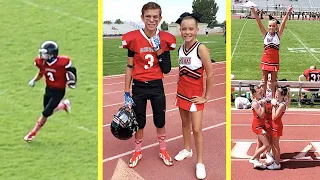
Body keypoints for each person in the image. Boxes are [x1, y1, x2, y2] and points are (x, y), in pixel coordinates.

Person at [121, 2, 177, 168]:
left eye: (155, 17)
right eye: (148, 17)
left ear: (160, 18)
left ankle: (163, 149)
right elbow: (129, 66)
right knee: (139, 121)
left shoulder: (166, 39)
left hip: (156, 85)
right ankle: (138, 150)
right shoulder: (132, 38)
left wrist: (158, 48)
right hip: (138, 86)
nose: (151, 20)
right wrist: (126, 92)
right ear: (142, 17)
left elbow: (166, 69)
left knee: (160, 119)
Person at [173, 12, 213, 179]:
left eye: (190, 29)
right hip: (181, 93)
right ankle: (187, 150)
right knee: (184, 123)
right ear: (180, 30)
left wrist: (206, 96)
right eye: (184, 29)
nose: (187, 32)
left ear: (197, 29)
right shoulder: (181, 48)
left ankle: (200, 162)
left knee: (196, 129)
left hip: (195, 96)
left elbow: (210, 74)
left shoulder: (201, 48)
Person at [24, 41, 75, 142]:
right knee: (48, 111)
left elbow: (71, 71)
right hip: (49, 89)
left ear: (52, 55)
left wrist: (71, 81)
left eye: (45, 53)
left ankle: (32, 133)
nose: (42, 55)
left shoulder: (62, 62)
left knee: (46, 112)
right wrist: (34, 80)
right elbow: (41, 73)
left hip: (59, 91)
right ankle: (64, 105)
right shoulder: (41, 62)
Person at [250, 5, 293, 98]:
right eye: (269, 25)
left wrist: (288, 12)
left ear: (275, 26)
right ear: (268, 26)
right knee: (264, 80)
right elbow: (259, 22)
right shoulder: (265, 34)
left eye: (273, 26)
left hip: (274, 61)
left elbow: (283, 23)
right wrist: (253, 10)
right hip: (265, 60)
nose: (271, 27)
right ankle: (264, 97)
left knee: (273, 81)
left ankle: (273, 97)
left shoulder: (278, 35)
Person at [267, 86, 290, 170]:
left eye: (277, 94)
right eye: (275, 93)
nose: (275, 95)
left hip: (276, 126)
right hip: (273, 125)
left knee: (276, 145)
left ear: (282, 95)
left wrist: (273, 106)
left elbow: (274, 117)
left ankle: (277, 163)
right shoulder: (278, 102)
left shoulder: (282, 105)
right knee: (272, 144)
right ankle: (274, 159)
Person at [248, 85, 269, 169]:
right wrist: (264, 105)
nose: (260, 92)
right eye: (258, 91)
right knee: (266, 145)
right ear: (254, 94)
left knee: (259, 143)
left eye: (260, 91)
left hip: (261, 125)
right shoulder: (255, 103)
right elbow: (261, 115)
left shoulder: (259, 100)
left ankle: (256, 160)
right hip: (257, 126)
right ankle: (253, 158)